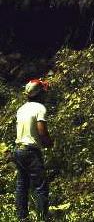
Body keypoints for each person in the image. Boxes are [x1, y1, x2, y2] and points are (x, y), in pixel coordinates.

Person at [13, 79, 53, 221]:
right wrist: (49, 142)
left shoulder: (21, 108)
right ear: (40, 94)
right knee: (40, 186)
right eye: (44, 92)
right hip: (31, 151)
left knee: (22, 184)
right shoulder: (40, 108)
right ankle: (43, 217)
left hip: (18, 150)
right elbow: (41, 131)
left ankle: (22, 217)